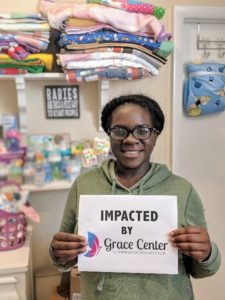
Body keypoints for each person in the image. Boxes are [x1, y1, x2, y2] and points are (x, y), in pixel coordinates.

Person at [50, 94, 221, 300]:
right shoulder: (84, 185)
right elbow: (64, 260)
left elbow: (203, 270)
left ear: (155, 135)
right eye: (120, 131)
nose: (131, 139)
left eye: (143, 131)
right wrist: (58, 252)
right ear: (110, 135)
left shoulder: (182, 190)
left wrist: (207, 252)